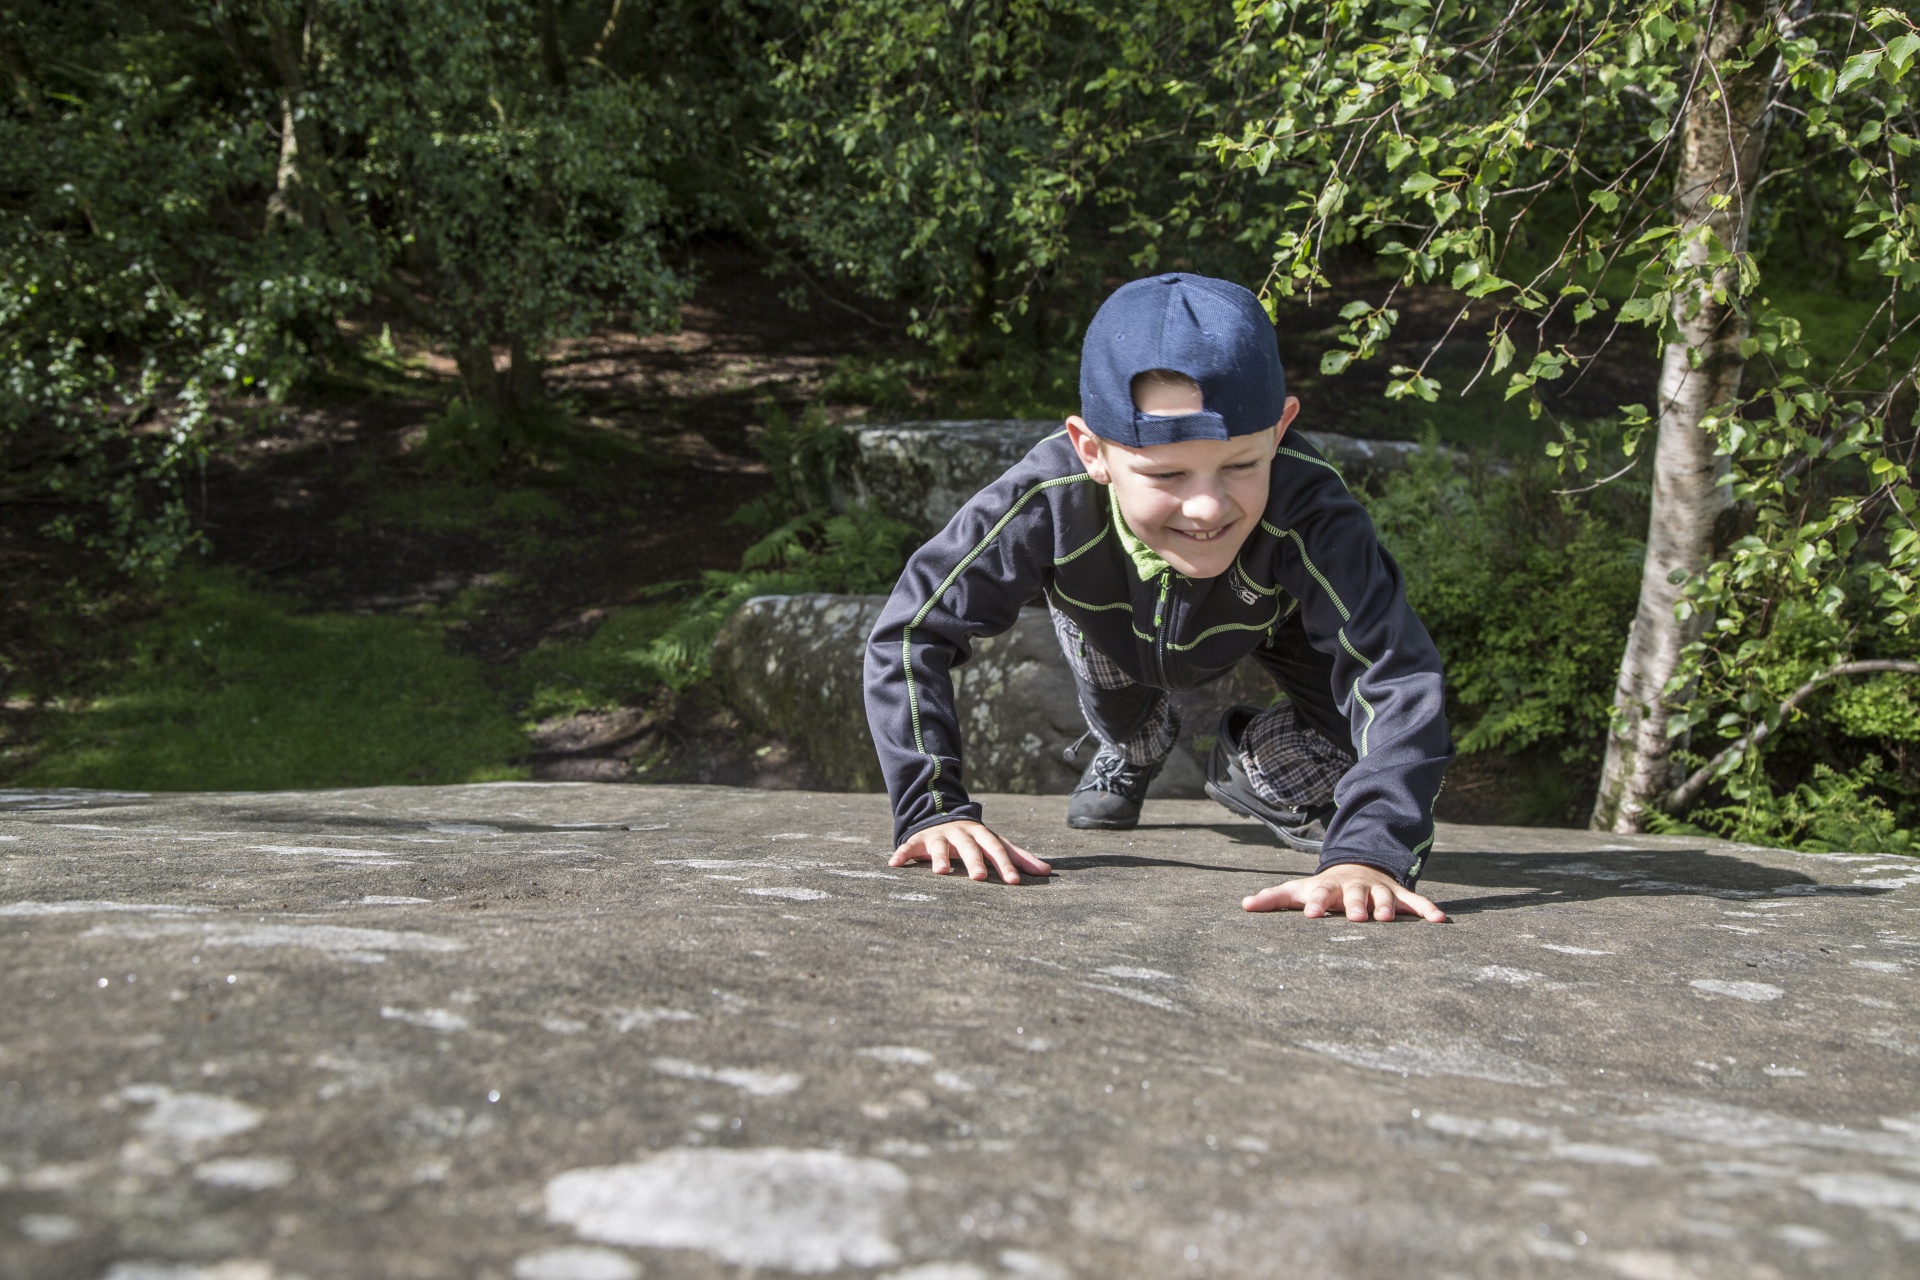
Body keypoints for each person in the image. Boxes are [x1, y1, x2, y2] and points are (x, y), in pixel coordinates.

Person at [862, 274, 1453, 923]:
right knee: (1128, 721)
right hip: (1108, 618)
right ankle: (1134, 749)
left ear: (1281, 430)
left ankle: (1251, 754)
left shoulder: (1312, 509)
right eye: (1165, 473)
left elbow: (1392, 671)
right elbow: (914, 629)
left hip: (1264, 617)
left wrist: (1367, 854)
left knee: (1364, 751)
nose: (1206, 506)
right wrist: (932, 807)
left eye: (1240, 464)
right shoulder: (1044, 501)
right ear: (1093, 451)